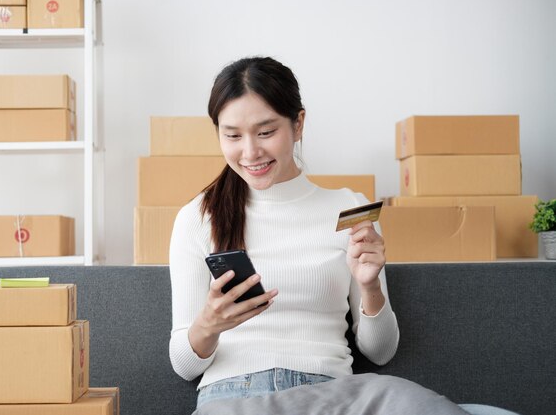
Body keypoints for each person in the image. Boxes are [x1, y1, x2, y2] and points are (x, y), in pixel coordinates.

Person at [168, 56, 518, 415]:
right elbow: (183, 365)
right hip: (233, 399)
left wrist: (370, 287)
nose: (250, 152)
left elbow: (380, 352)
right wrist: (209, 324)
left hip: (332, 399)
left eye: (266, 132)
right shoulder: (197, 218)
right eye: (232, 136)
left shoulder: (350, 210)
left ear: (298, 123)